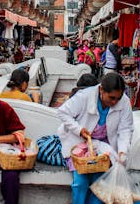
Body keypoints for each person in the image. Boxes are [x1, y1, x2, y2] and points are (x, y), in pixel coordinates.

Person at [57, 72, 134, 204]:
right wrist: (79, 130)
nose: (115, 102)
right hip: (78, 143)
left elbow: (125, 129)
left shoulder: (124, 102)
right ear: (101, 90)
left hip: (104, 145)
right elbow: (62, 112)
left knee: (101, 183)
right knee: (80, 182)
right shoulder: (85, 96)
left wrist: (122, 151)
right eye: (111, 98)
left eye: (118, 98)